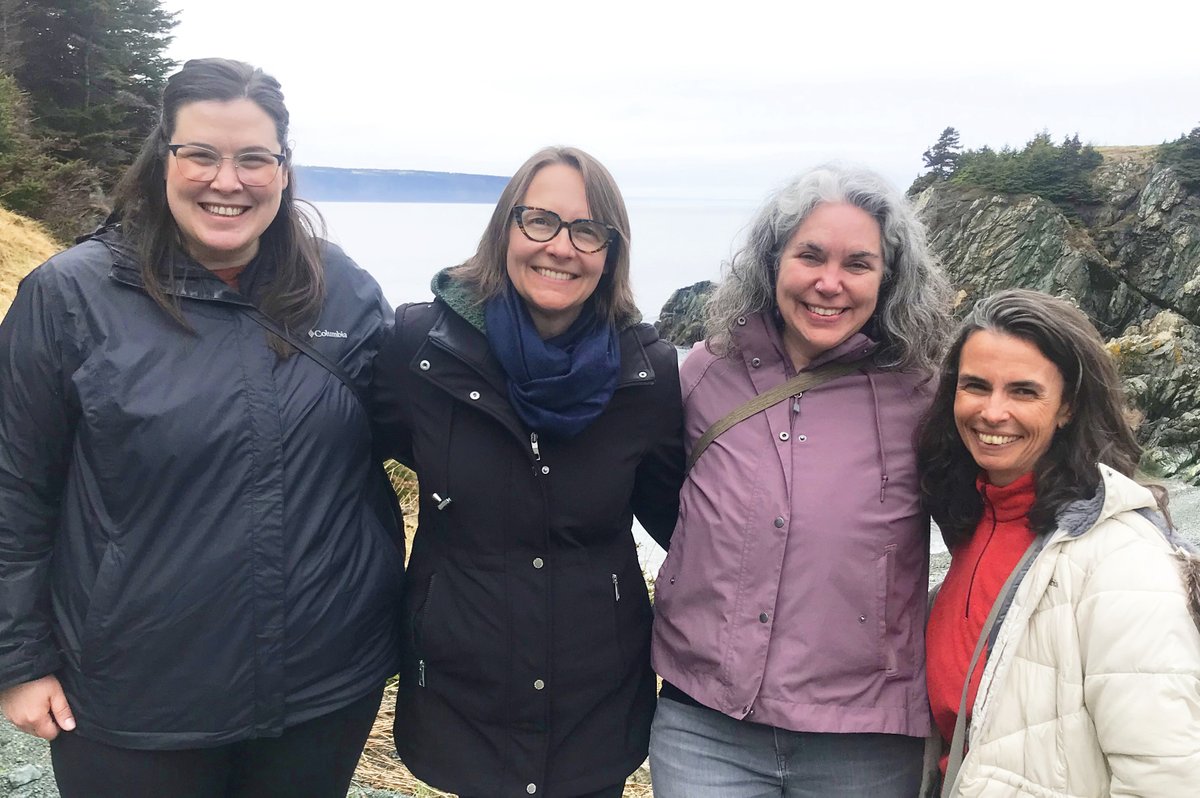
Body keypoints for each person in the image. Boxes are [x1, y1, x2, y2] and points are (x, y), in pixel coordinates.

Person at [0, 58, 403, 798]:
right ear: (164, 160)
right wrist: (18, 662)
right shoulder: (69, 298)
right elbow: (13, 490)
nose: (229, 181)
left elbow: (422, 431)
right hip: (134, 700)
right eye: (202, 156)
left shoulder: (339, 288)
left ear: (283, 169)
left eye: (254, 158)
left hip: (322, 690)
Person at [370, 145, 684, 798]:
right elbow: (355, 465)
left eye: (587, 230)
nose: (560, 247)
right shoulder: (421, 350)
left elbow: (685, 524)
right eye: (539, 220)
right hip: (463, 695)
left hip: (596, 704)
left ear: (611, 252)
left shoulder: (646, 374)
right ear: (505, 229)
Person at [649, 164, 952, 797]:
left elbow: (987, 529)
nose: (829, 283)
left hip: (864, 741)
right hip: (706, 723)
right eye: (809, 255)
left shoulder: (925, 395)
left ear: (889, 278)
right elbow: (662, 494)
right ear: (772, 260)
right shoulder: (707, 371)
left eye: (858, 264)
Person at [918, 288, 1200, 796]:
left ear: (1068, 406)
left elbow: (1165, 773)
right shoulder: (975, 524)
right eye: (975, 386)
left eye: (1024, 391)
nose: (992, 412)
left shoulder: (1123, 560)